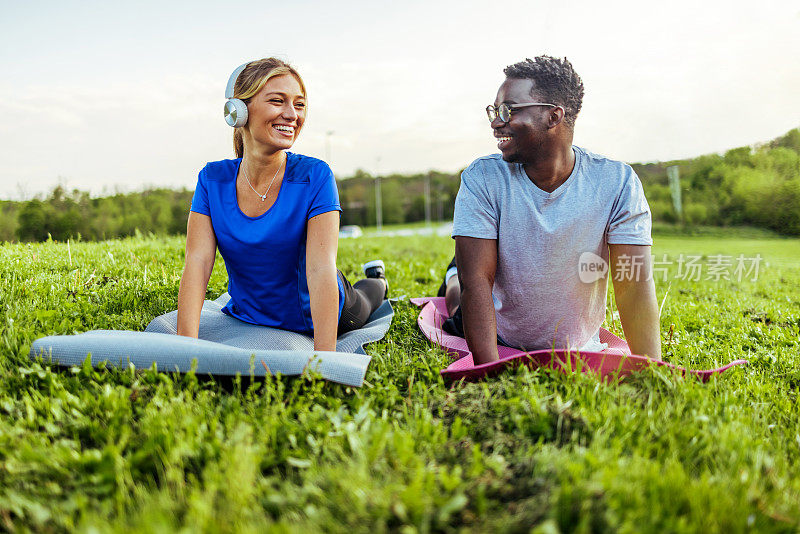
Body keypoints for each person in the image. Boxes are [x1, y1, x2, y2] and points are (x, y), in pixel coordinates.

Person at [440, 56, 661, 364]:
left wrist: (651, 366)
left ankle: (453, 270)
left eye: (508, 110)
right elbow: (476, 282)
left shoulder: (617, 182)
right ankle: (451, 273)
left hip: (581, 341)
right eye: (494, 111)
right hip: (501, 330)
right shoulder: (481, 178)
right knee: (455, 297)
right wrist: (489, 369)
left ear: (553, 116)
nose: (495, 122)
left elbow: (634, 282)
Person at [177, 58, 387, 351]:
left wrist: (324, 359)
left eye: (299, 105)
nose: (291, 115)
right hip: (250, 315)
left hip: (321, 311)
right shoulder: (212, 179)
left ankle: (378, 279)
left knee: (368, 296)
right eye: (278, 101)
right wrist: (184, 348)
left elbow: (320, 270)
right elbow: (197, 262)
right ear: (238, 111)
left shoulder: (315, 175)